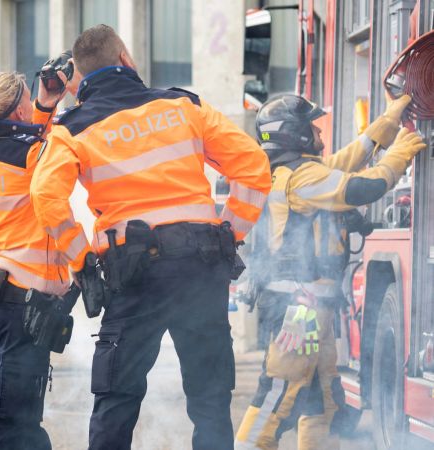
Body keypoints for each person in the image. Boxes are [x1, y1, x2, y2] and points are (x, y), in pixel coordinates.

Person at [30, 25, 272, 450]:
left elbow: (46, 195)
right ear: (126, 58)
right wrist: (228, 233)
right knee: (210, 399)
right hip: (200, 267)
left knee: (117, 398)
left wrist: (82, 262)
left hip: (133, 276)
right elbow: (253, 167)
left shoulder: (72, 128)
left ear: (77, 81)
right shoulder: (183, 104)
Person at [234, 94, 425, 450]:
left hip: (306, 308)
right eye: (311, 126)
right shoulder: (302, 178)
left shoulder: (295, 172)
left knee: (320, 399)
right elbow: (361, 186)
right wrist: (399, 155)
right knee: (280, 391)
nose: (318, 133)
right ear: (295, 134)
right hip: (299, 309)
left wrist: (387, 122)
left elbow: (347, 159)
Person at [0, 64, 80, 450]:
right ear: (17, 110)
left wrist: (44, 103)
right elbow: (52, 145)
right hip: (21, 303)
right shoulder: (30, 154)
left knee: (25, 424)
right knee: (8, 420)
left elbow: (29, 142)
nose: (33, 105)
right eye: (29, 99)